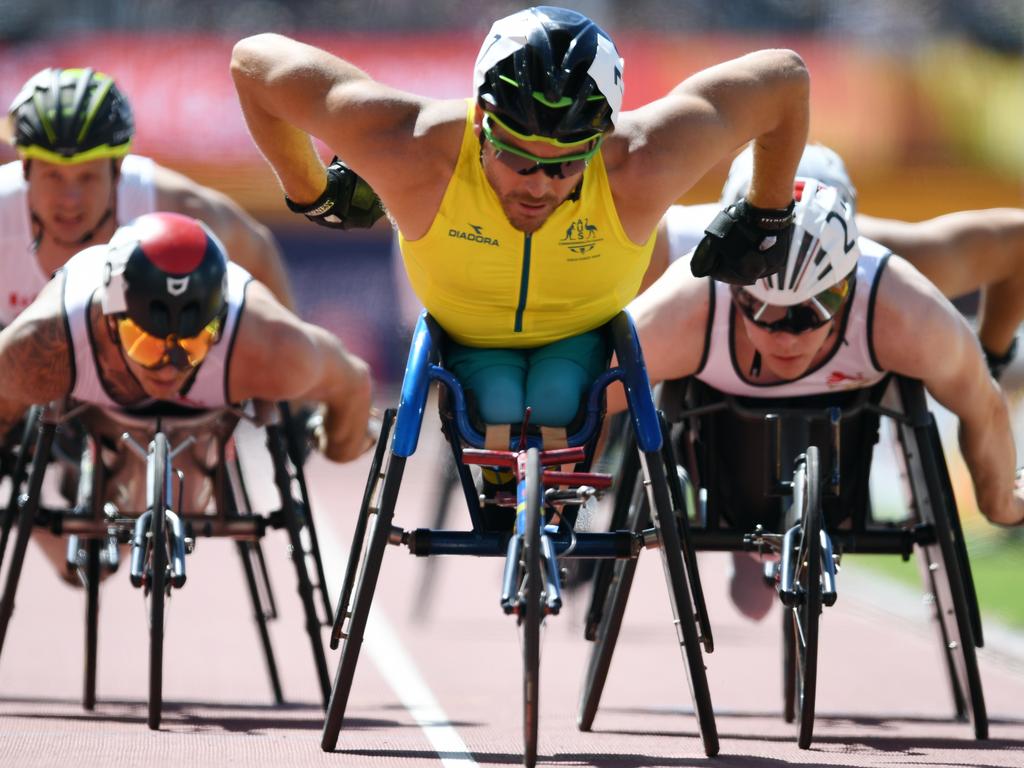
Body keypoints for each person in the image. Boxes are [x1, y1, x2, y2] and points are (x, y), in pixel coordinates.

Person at [230, 5, 809, 442]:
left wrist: (768, 213)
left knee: (559, 399)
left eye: (563, 165)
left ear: (601, 139)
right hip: (468, 340)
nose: (537, 184)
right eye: (517, 157)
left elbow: (785, 78)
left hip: (584, 339)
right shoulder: (411, 146)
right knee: (503, 402)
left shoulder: (644, 158)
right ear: (480, 121)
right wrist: (310, 191)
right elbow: (253, 62)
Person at [626, 176, 1024, 618]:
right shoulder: (681, 288)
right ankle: (734, 510)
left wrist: (999, 498)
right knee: (751, 602)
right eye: (763, 311)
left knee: (751, 602)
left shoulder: (903, 303)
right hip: (702, 258)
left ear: (849, 285)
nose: (789, 336)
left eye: (816, 308)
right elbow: (588, 397)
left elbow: (983, 403)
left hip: (859, 262)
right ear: (735, 290)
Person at [0, 211, 373, 579]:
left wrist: (337, 444)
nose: (168, 367)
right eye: (145, 343)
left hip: (206, 425)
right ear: (110, 320)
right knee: (86, 572)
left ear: (219, 325)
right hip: (89, 415)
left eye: (191, 345)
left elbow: (353, 381)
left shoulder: (272, 346)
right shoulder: (42, 345)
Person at [649, 143, 1024, 379]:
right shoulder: (677, 243)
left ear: (848, 228)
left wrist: (987, 363)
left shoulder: (892, 263)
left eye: (817, 298)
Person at [1, 66, 297, 326]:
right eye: (53, 176)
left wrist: (287, 372)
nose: (69, 198)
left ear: (117, 168)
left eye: (87, 176)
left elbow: (257, 251)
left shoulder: (174, 206)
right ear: (25, 166)